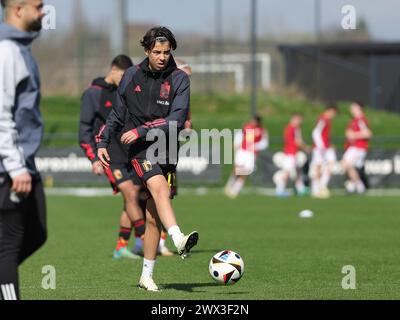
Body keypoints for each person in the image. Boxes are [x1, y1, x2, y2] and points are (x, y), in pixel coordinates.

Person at [97, 26, 199, 292]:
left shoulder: (179, 79)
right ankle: (177, 238)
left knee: (154, 215)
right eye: (157, 52)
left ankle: (146, 275)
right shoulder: (131, 75)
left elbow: (176, 121)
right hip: (140, 149)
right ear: (146, 51)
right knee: (159, 187)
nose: (162, 56)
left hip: (166, 147)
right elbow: (117, 114)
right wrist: (103, 141)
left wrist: (142, 128)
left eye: (166, 52)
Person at [0, 0, 47, 300]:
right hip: (10, 166)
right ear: (18, 9)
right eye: (38, 6)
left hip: (24, 162)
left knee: (37, 232)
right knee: (9, 243)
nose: (44, 12)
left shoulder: (21, 49)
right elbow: (1, 113)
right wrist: (15, 165)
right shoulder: (6, 51)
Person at [224, 115, 268, 198]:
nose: (251, 122)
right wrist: (236, 143)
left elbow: (263, 143)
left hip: (251, 154)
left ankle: (235, 191)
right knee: (237, 169)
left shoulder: (262, 130)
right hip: (243, 151)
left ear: (258, 122)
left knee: (245, 172)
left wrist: (255, 146)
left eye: (253, 121)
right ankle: (229, 185)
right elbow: (243, 136)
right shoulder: (247, 127)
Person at [275, 113, 310, 197]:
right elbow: (298, 141)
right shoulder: (293, 128)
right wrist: (306, 148)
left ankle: (300, 189)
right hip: (290, 154)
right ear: (294, 119)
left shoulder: (289, 128)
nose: (300, 122)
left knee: (296, 171)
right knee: (287, 172)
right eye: (298, 120)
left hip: (291, 153)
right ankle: (280, 190)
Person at [342, 101, 372, 195]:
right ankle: (354, 185)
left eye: (354, 107)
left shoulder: (361, 120)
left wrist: (353, 135)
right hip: (353, 147)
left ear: (359, 108)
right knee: (346, 165)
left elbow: (368, 134)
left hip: (358, 147)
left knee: (346, 164)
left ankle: (358, 186)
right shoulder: (354, 120)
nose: (351, 109)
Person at [310, 104, 338, 198]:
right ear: (330, 111)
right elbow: (315, 132)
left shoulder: (327, 120)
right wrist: (321, 146)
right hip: (320, 148)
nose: (333, 115)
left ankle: (322, 185)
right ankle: (316, 189)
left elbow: (324, 135)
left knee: (331, 163)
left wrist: (329, 144)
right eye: (333, 113)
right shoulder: (323, 119)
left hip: (326, 147)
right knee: (318, 166)